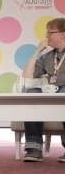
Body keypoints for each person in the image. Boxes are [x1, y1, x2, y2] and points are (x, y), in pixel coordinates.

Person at [22, 17, 65, 162]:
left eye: (50, 33)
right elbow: (27, 75)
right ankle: (34, 147)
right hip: (52, 91)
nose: (47, 36)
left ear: (62, 34)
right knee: (32, 94)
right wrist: (38, 50)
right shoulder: (48, 56)